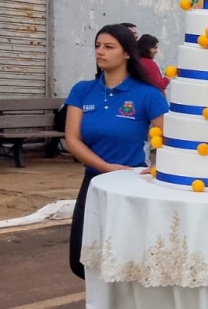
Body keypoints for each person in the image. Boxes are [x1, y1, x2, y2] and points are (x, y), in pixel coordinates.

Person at [64, 24, 169, 279]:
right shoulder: (82, 90)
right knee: (81, 261)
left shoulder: (147, 95)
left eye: (109, 47)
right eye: (97, 46)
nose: (100, 52)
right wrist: (107, 168)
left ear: (126, 54)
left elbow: (170, 139)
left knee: (127, 259)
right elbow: (72, 139)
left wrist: (159, 171)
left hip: (131, 183)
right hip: (94, 181)